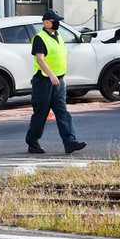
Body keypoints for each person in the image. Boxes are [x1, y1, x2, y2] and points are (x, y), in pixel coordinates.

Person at [25, 10, 86, 155]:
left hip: (58, 81)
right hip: (44, 82)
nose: (57, 23)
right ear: (46, 22)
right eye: (54, 21)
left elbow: (60, 58)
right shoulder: (40, 38)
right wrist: (52, 76)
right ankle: (32, 142)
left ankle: (70, 143)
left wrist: (61, 78)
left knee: (63, 113)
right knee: (41, 114)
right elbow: (40, 59)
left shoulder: (58, 36)